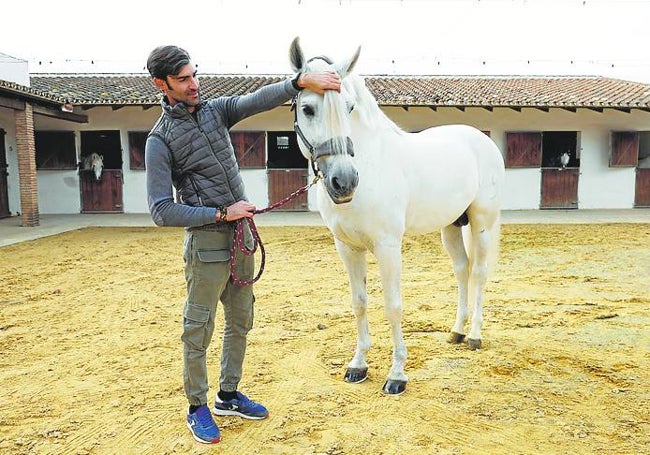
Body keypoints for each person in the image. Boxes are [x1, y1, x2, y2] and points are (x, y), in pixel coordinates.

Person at [144, 45, 341, 444]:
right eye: (183, 79)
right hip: (207, 244)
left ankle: (228, 395)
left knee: (240, 322)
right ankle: (196, 407)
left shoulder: (216, 111)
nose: (193, 84)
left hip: (242, 240)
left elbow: (256, 100)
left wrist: (298, 83)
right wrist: (220, 214)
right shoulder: (159, 140)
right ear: (160, 85)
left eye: (194, 74)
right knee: (197, 329)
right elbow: (161, 210)